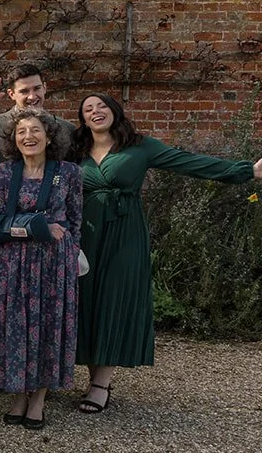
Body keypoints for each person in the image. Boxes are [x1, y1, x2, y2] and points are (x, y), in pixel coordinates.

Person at [69, 93, 262, 412]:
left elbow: (190, 162)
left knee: (115, 299)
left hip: (125, 233)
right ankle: (95, 376)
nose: (95, 112)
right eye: (88, 109)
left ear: (115, 111)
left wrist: (247, 171)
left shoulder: (141, 146)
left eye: (102, 106)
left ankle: (100, 384)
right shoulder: (76, 150)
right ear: (83, 118)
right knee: (88, 301)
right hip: (86, 234)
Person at [0, 110, 82, 430]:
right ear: (13, 140)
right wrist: (36, 226)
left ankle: (38, 397)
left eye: (36, 130)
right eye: (21, 131)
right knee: (14, 325)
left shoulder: (67, 173)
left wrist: (69, 254)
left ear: (49, 136)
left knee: (47, 328)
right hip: (11, 263)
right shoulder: (1, 173)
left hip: (54, 263)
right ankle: (17, 394)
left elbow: (74, 222)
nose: (29, 135)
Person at [0, 64, 76, 162]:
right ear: (11, 94)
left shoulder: (66, 128)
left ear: (44, 88)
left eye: (37, 88)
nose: (32, 96)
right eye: (24, 91)